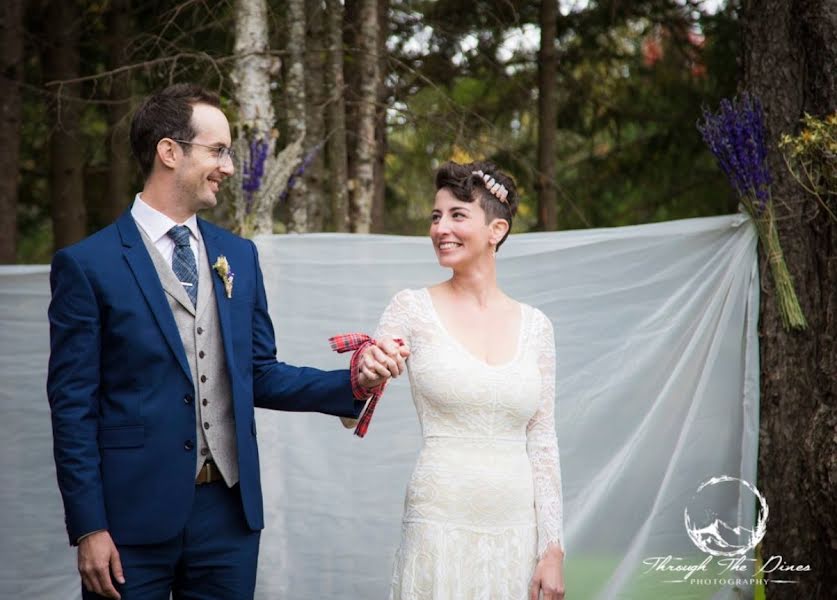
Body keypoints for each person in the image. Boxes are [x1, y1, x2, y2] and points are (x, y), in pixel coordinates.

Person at [46, 83, 407, 600]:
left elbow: (258, 371)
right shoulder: (88, 265)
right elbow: (72, 407)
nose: (230, 167)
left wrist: (353, 383)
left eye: (230, 153)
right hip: (129, 522)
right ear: (169, 152)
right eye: (218, 151)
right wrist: (89, 527)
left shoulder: (237, 256)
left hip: (228, 518)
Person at [370, 161, 566, 599]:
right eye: (436, 217)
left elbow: (543, 442)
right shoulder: (410, 309)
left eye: (457, 215)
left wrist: (552, 549)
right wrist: (366, 374)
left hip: (517, 532)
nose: (441, 228)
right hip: (439, 525)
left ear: (496, 230)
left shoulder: (537, 328)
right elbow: (357, 405)